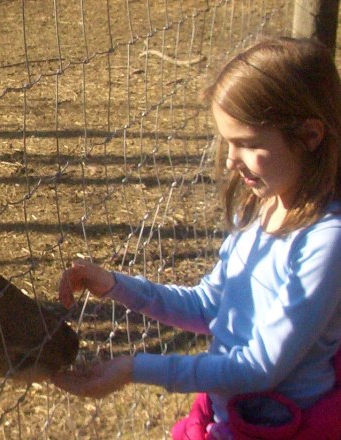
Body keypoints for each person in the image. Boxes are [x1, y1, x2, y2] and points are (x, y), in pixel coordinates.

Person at [53, 36, 341, 439]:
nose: (229, 160)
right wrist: (115, 286)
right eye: (227, 142)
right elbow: (209, 306)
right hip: (236, 414)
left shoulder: (325, 243)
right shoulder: (260, 209)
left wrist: (135, 369)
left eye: (247, 144)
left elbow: (259, 367)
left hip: (282, 426)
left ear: (310, 135)